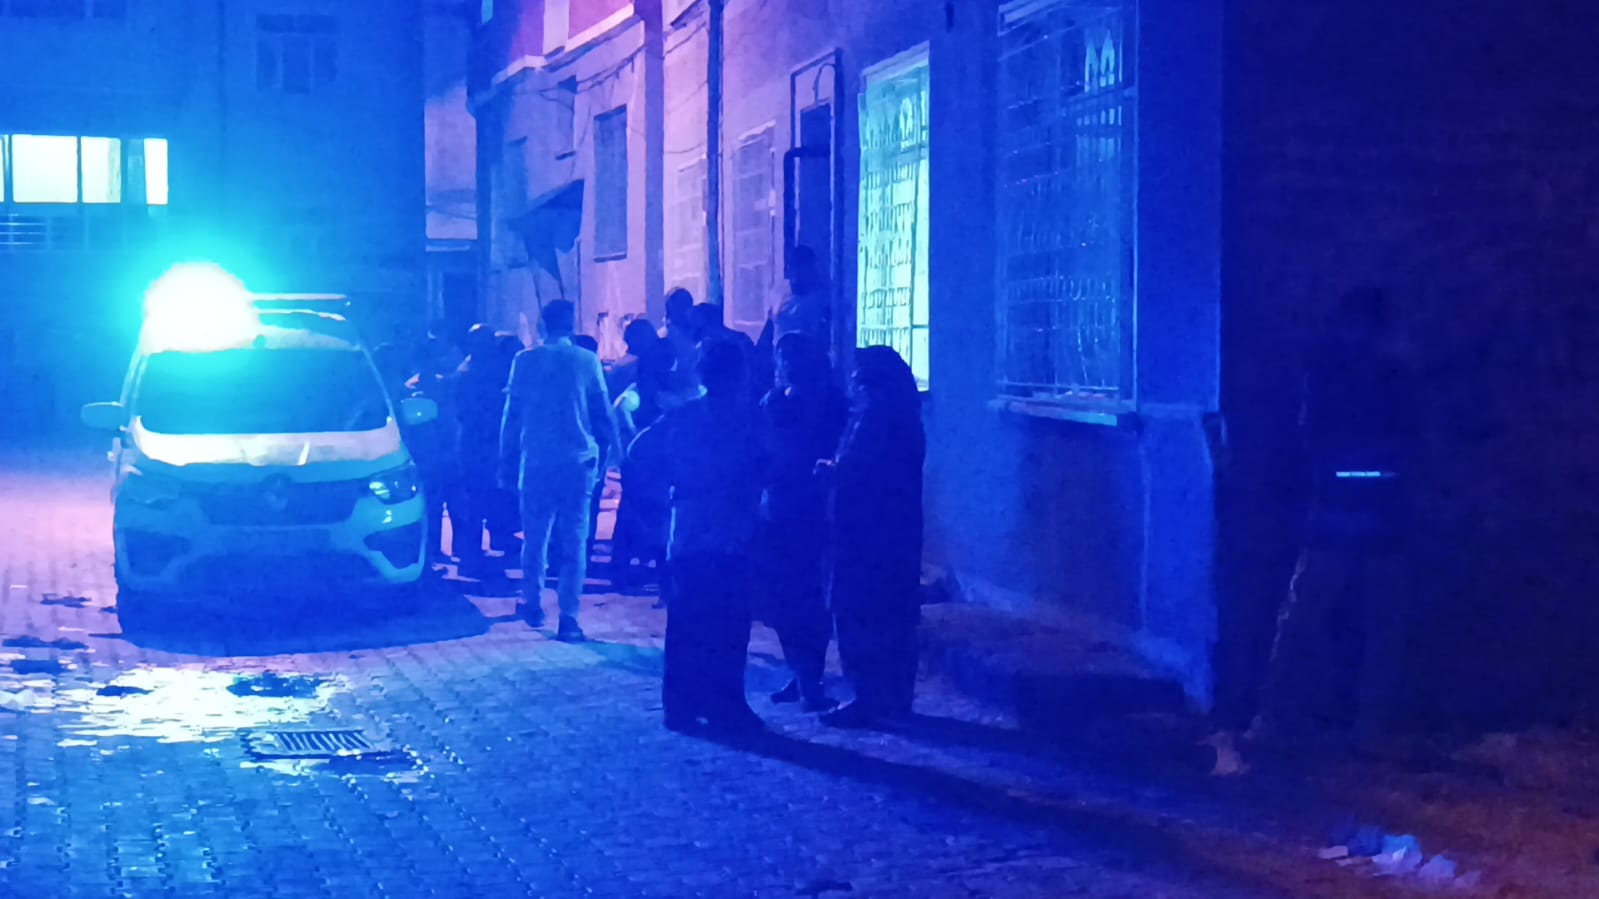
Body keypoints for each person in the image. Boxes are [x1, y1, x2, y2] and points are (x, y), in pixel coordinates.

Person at [1255, 287, 1419, 744]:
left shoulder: (1342, 374)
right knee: (1355, 618)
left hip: (1354, 509)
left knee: (1325, 615)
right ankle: (1339, 722)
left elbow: (1314, 437)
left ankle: (1286, 718)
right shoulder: (1367, 376)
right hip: (1364, 510)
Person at [648, 339, 769, 734]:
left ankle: (680, 706)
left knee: (686, 622)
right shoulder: (748, 419)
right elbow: (764, 468)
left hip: (688, 530)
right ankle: (726, 705)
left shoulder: (683, 416)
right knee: (728, 623)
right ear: (740, 374)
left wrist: (674, 482)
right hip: (732, 532)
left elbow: (638, 452)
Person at [499, 300, 615, 642]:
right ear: (571, 324)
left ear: (542, 324)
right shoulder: (586, 360)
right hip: (578, 461)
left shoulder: (524, 361)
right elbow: (602, 412)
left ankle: (533, 603)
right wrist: (612, 451)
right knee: (574, 540)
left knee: (535, 537)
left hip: (537, 460)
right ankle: (569, 617)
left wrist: (506, 459)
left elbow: (512, 415)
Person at [821, 346, 925, 728]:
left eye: (858, 377)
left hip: (864, 533)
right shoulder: (903, 418)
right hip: (895, 533)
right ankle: (895, 697)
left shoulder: (875, 421)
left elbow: (861, 472)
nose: (851, 382)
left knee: (859, 611)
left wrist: (832, 472)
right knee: (893, 614)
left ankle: (867, 697)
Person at [761, 333, 849, 712]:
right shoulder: (774, 402)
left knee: (810, 596)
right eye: (783, 357)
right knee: (782, 596)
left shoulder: (833, 404)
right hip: (777, 508)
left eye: (795, 356)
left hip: (816, 510)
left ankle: (810, 676)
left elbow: (842, 452)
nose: (788, 364)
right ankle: (800, 673)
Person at [454, 325, 518, 575]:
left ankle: (482, 545)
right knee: (476, 498)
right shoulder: (472, 372)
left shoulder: (477, 368)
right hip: (479, 443)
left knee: (488, 495)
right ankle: (470, 552)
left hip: (481, 442)